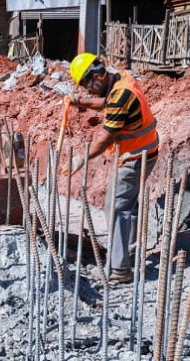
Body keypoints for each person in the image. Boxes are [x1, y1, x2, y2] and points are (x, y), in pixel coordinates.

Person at [64, 53, 159, 283]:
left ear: (99, 75)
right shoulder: (120, 79)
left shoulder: (121, 94)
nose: (88, 91)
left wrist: (81, 158)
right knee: (128, 205)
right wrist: (79, 102)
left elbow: (107, 137)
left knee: (116, 207)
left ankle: (119, 270)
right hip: (145, 149)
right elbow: (106, 102)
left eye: (88, 85)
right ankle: (128, 253)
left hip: (135, 155)